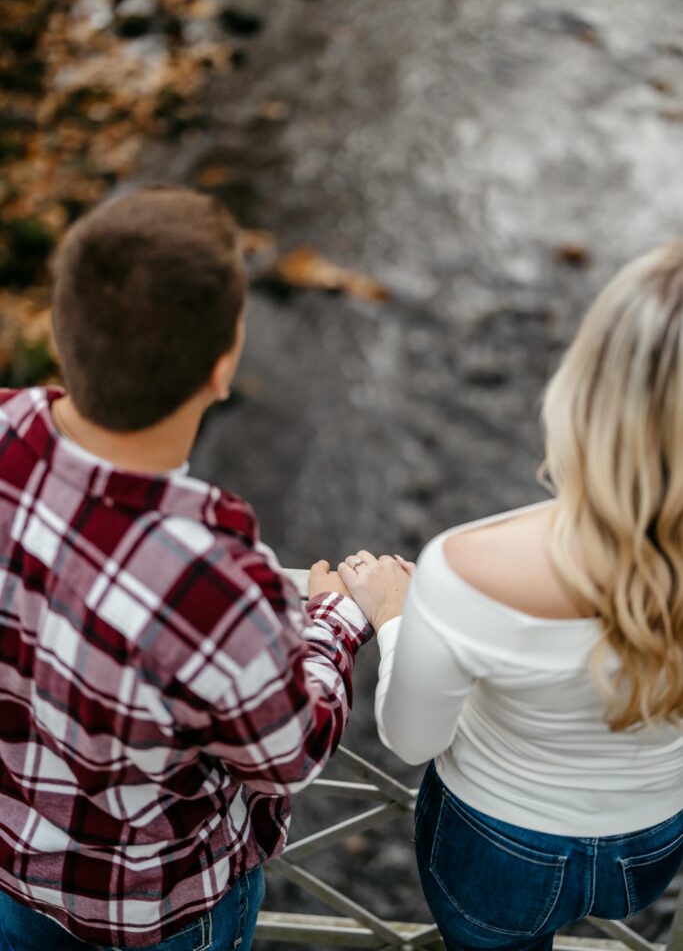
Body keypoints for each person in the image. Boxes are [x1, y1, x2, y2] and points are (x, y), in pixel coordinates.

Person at [0, 187, 370, 951]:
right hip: (156, 912)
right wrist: (336, 617)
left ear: (62, 331)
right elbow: (286, 754)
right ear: (223, 367)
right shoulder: (213, 580)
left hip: (10, 869)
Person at [338, 240, 683, 951]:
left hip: (500, 851)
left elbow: (411, 740)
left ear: (587, 388)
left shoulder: (470, 565)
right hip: (653, 842)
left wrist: (394, 611)